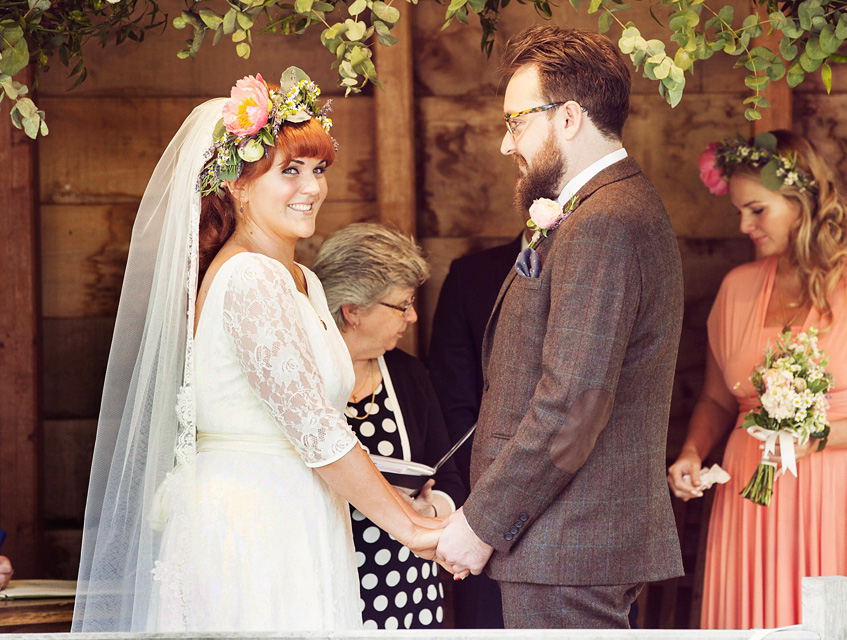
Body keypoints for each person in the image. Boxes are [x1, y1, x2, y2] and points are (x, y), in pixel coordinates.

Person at [73, 68, 445, 633]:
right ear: (238, 185)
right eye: (289, 171)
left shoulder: (301, 279)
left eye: (318, 169)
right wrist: (411, 528)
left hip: (301, 513)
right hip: (253, 523)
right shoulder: (250, 277)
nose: (313, 187)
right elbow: (317, 430)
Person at [435, 26, 685, 629]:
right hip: (567, 543)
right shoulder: (601, 210)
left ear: (568, 116)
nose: (505, 144)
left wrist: (482, 522)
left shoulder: (604, 222)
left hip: (568, 547)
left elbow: (574, 406)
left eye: (516, 122)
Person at [667, 130, 847, 628]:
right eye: (740, 211)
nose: (744, 225)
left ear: (800, 200)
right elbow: (718, 400)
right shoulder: (736, 289)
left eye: (756, 210)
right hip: (753, 505)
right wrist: (691, 452)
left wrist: (823, 434)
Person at [312, 223, 466, 629]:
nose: (413, 317)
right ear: (353, 311)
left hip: (407, 585)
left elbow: (449, 477)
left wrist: (429, 508)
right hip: (326, 575)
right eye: (401, 305)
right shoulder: (304, 376)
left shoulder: (408, 374)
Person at [428, 235, 524, 629]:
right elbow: (455, 406)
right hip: (484, 509)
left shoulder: (605, 267)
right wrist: (483, 514)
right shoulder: (472, 276)